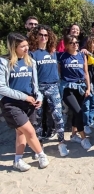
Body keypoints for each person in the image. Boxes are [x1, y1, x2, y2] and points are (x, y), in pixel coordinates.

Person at [0, 33, 50, 171]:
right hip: (11, 103)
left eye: (27, 45)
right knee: (30, 131)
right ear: (13, 47)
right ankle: (41, 155)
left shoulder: (30, 61)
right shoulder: (4, 62)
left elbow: (35, 85)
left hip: (29, 102)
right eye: (22, 46)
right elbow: (2, 88)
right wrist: (23, 97)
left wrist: (39, 97)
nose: (26, 48)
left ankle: (17, 160)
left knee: (21, 132)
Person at [28, 25, 69, 157]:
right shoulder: (32, 53)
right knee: (38, 119)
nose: (43, 37)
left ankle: (62, 143)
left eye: (46, 35)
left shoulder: (53, 52)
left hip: (53, 87)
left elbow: (72, 53)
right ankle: (39, 146)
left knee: (58, 116)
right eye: (41, 35)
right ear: (36, 36)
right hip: (38, 89)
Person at [58, 35, 92, 150]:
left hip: (80, 87)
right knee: (78, 112)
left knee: (75, 112)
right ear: (67, 45)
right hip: (67, 87)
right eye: (72, 43)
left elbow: (86, 73)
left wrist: (88, 88)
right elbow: (59, 74)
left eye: (76, 42)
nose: (75, 44)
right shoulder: (61, 56)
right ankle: (83, 138)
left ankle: (73, 135)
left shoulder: (82, 55)